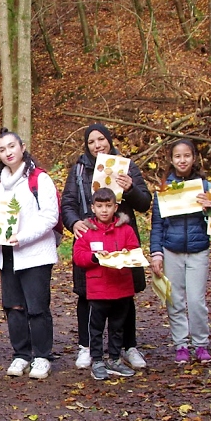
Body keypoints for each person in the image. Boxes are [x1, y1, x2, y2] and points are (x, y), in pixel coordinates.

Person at [61, 123, 152, 371]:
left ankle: (128, 346)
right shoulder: (79, 169)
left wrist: (130, 188)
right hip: (90, 238)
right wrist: (74, 222)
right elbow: (67, 203)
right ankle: (87, 346)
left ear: (109, 140)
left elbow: (145, 202)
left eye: (101, 139)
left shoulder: (126, 165)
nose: (97, 145)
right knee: (86, 294)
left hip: (122, 237)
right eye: (91, 141)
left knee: (125, 295)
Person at [0, 130, 58, 380]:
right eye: (2, 149)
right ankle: (21, 354)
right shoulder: (0, 184)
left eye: (11, 146)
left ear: (22, 147)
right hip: (8, 255)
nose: (7, 152)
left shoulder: (39, 179)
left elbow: (50, 216)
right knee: (13, 307)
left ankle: (42, 356)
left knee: (37, 307)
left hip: (35, 254)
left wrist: (23, 237)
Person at [149, 139, 211, 364]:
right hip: (171, 249)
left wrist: (210, 209)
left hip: (198, 249)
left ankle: (201, 344)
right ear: (171, 159)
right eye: (178, 156)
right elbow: (157, 223)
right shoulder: (164, 189)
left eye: (187, 155)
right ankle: (181, 345)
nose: (182, 160)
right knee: (174, 300)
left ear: (194, 158)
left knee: (196, 300)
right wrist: (156, 253)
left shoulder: (205, 187)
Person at [72, 188, 140, 380]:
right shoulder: (87, 231)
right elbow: (79, 256)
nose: (104, 210)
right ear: (92, 207)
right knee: (96, 328)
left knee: (118, 327)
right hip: (98, 290)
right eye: (100, 206)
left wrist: (123, 256)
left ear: (115, 207)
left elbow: (134, 252)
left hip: (121, 288)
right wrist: (94, 257)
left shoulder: (125, 229)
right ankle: (97, 359)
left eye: (108, 206)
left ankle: (115, 358)